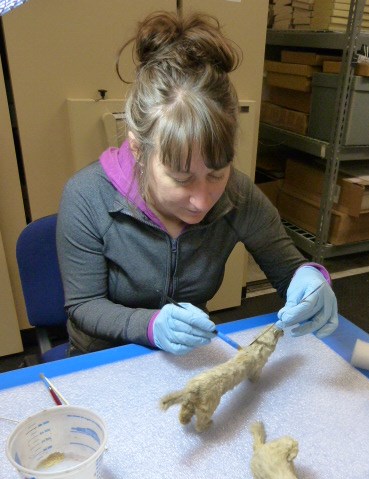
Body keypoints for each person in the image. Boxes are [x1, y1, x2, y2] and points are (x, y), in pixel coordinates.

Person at [56, 11, 338, 356]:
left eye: (217, 173)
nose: (202, 201)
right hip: (104, 359)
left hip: (187, 357)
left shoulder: (238, 194)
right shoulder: (87, 197)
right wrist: (149, 325)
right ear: (137, 150)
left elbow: (288, 270)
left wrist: (310, 281)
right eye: (181, 178)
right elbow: (84, 305)